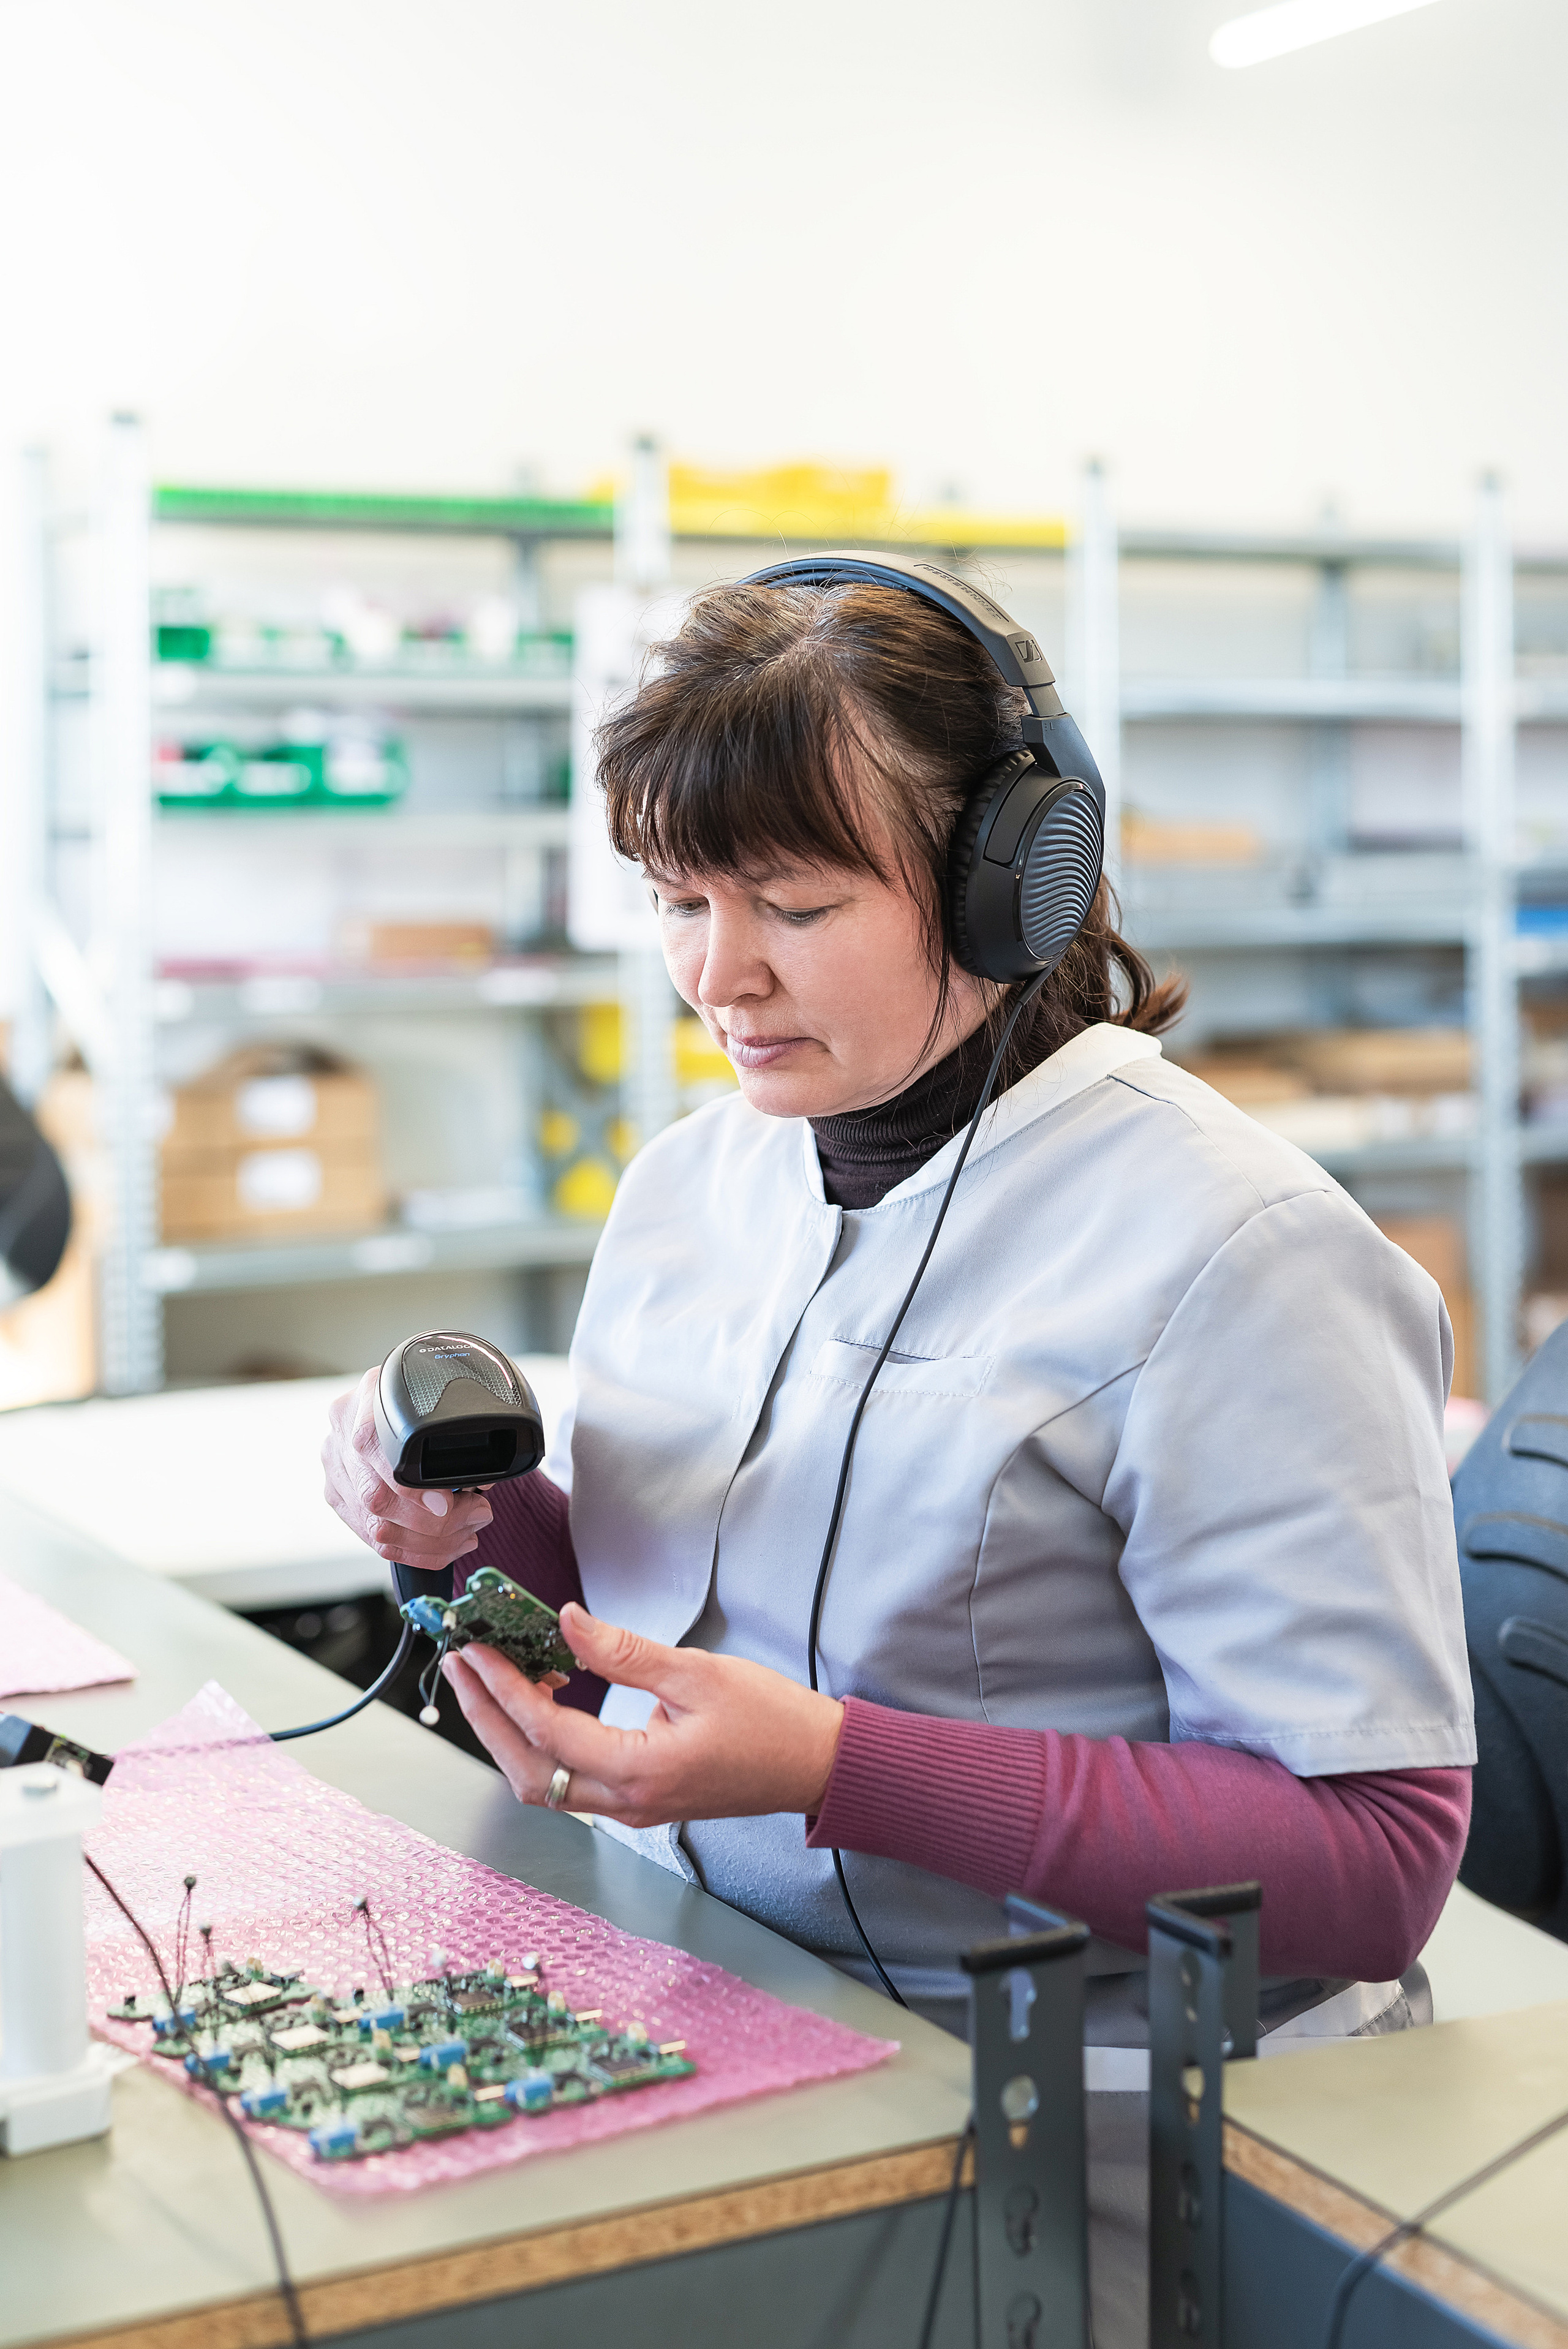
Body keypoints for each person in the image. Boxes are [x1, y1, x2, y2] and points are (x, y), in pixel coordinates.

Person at [323, 575, 1474, 2347]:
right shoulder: (695, 1184)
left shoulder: (1240, 1249)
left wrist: (838, 1767)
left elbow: (1374, 1850)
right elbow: (656, 1595)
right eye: (679, 899)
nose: (719, 974)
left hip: (1096, 2128)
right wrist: (465, 1535)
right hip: (727, 2018)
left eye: (793, 901)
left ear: (1012, 874)